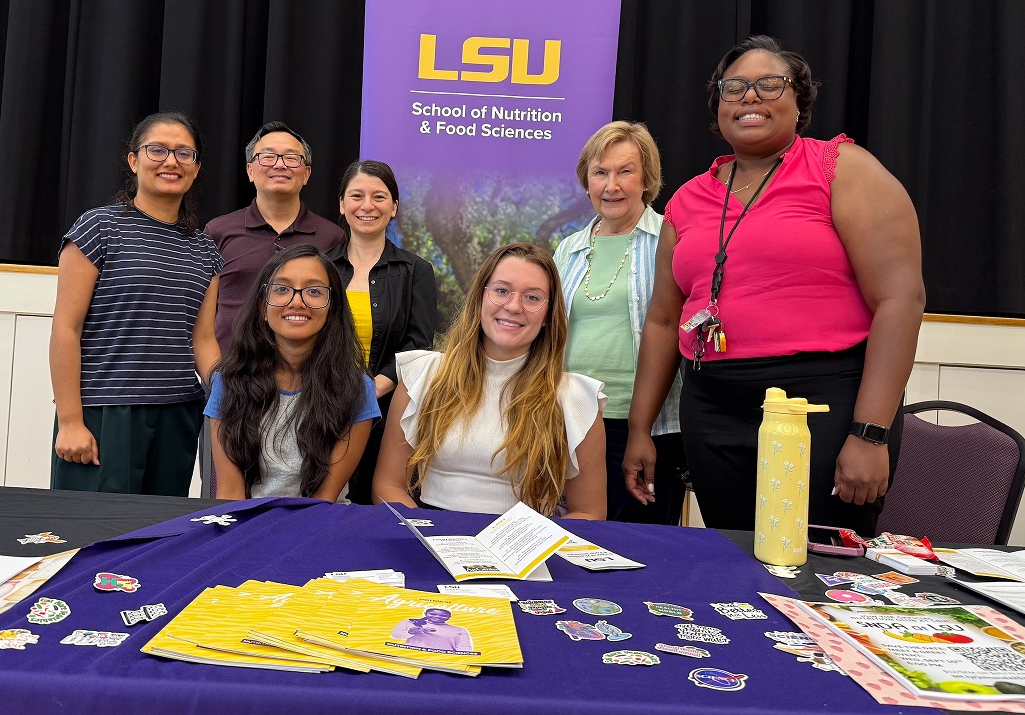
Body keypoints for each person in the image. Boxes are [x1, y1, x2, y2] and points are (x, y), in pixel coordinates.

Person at [624, 36, 925, 534]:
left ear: (799, 99)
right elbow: (661, 320)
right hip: (713, 409)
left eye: (769, 84)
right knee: (736, 566)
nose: (749, 96)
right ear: (718, 105)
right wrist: (641, 429)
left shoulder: (841, 169)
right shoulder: (687, 200)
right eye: (734, 87)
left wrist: (870, 433)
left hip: (820, 408)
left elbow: (901, 299)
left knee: (820, 574)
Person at [50, 111, 222, 495]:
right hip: (106, 413)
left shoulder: (206, 248)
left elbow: (204, 339)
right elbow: (66, 328)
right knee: (92, 534)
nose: (171, 161)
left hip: (179, 413)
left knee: (158, 537)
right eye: (157, 150)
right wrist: (71, 421)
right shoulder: (98, 227)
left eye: (184, 153)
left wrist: (230, 385)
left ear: (196, 167)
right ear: (134, 160)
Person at [373, 243, 607, 519]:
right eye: (501, 290)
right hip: (431, 534)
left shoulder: (576, 398)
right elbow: (387, 486)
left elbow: (588, 513)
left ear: (548, 316)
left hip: (524, 547)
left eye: (532, 298)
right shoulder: (422, 376)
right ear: (480, 297)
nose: (513, 306)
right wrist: (434, 539)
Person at [554, 121, 685, 525]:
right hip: (572, 422)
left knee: (639, 544)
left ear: (647, 178)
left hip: (648, 429)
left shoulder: (672, 239)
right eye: (600, 172)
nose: (611, 185)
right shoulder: (569, 248)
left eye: (625, 171)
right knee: (574, 541)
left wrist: (641, 428)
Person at [206, 245, 379, 501]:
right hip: (248, 524)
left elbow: (324, 498)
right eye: (282, 289)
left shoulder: (357, 389)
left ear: (333, 307)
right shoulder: (229, 381)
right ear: (262, 308)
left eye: (314, 291)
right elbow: (230, 493)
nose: (297, 302)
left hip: (319, 524)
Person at [328, 160, 437, 504]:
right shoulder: (320, 267)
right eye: (357, 195)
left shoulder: (416, 270)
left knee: (374, 503)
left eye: (379, 197)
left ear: (394, 208)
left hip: (389, 413)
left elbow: (419, 342)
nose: (367, 206)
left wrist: (372, 389)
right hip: (322, 405)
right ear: (342, 204)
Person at [205, 121, 344, 351]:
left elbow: (336, 314)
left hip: (309, 377)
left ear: (306, 173)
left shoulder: (333, 237)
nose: (280, 165)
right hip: (231, 376)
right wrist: (215, 376)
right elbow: (201, 320)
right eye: (268, 157)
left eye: (291, 158)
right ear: (250, 170)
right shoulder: (218, 231)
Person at [390, 608, 473, 653]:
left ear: (449, 617)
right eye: (433, 614)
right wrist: (410, 632)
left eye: (443, 615)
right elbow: (394, 635)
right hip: (412, 655)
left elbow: (464, 649)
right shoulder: (410, 622)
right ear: (425, 614)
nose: (437, 617)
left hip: (443, 660)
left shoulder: (460, 630)